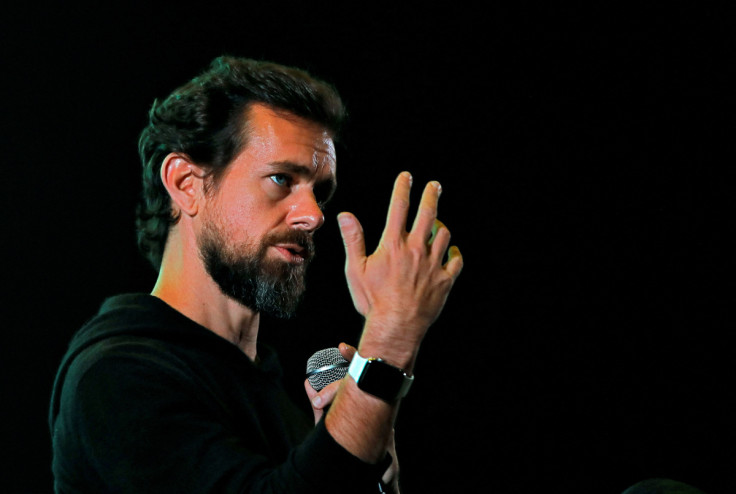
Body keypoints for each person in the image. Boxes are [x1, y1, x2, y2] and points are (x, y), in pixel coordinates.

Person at [48, 56, 463, 493]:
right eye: (281, 179)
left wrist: (365, 462)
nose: (313, 215)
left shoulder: (281, 402)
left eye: (319, 192)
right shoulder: (117, 377)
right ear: (187, 183)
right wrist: (390, 338)